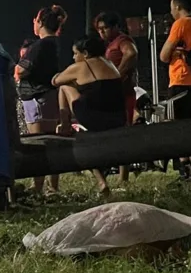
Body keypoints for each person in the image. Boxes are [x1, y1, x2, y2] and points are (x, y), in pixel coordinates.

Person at [52, 34, 127, 196]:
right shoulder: (110, 64)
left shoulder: (82, 65)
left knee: (64, 87)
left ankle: (65, 125)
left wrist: (71, 78)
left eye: (75, 53)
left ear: (85, 54)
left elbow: (56, 81)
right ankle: (114, 180)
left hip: (94, 117)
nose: (73, 57)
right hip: (118, 117)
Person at [16, 5, 67, 195]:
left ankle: (38, 187)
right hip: (48, 95)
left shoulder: (41, 45)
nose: (33, 24)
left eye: (35, 21)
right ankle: (52, 186)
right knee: (51, 142)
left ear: (40, 23)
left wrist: (16, 71)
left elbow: (21, 70)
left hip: (37, 97)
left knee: (38, 144)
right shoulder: (54, 42)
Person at [158, 0, 191, 176]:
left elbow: (163, 55)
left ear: (177, 7)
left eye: (171, 8)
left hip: (180, 80)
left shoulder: (181, 24)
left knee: (178, 128)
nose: (171, 12)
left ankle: (185, 171)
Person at [95, 10, 138, 183]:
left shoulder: (122, 40)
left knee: (122, 133)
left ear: (116, 27)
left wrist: (117, 75)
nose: (102, 32)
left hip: (124, 93)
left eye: (105, 28)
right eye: (99, 29)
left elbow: (131, 53)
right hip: (115, 95)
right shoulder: (110, 44)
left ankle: (123, 177)